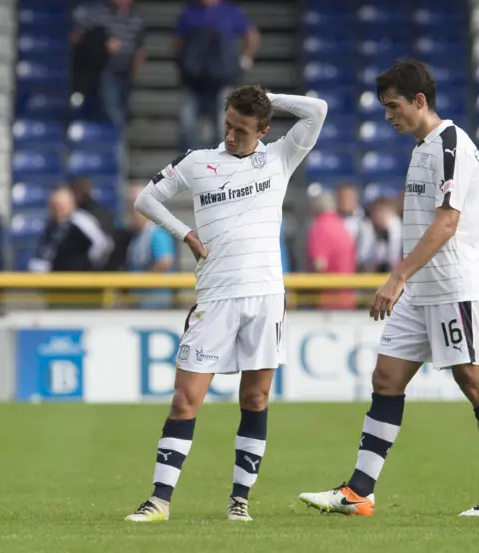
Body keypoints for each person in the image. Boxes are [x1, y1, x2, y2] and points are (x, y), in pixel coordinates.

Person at [298, 60, 479, 517]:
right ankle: (359, 492)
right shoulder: (422, 147)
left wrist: (397, 276)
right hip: (421, 289)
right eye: (383, 107)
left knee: (476, 381)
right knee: (386, 378)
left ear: (420, 101)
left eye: (393, 106)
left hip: (451, 284)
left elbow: (447, 223)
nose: (387, 116)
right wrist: (408, 280)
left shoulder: (452, 146)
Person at [125, 85, 327, 522]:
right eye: (228, 125)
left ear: (264, 129)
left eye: (242, 129)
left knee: (255, 398)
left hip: (266, 297)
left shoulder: (279, 157)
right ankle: (159, 500)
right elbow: (146, 199)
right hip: (215, 297)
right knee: (185, 400)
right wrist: (185, 233)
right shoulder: (199, 162)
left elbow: (317, 109)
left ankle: (240, 501)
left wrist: (265, 95)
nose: (232, 136)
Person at [173, 0, 260, 151]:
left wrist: (245, 59)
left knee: (223, 127)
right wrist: (185, 62)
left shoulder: (231, 12)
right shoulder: (189, 13)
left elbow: (252, 35)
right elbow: (176, 41)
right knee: (187, 126)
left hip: (223, 79)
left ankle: (219, 165)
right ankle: (186, 164)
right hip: (193, 80)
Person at [71, 0, 146, 128]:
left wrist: (136, 72)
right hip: (106, 70)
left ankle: (119, 139)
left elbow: (139, 49)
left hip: (126, 72)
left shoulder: (137, 19)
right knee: (113, 111)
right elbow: (78, 38)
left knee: (123, 110)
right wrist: (103, 44)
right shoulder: (98, 14)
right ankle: (119, 141)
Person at [28, 188, 113, 273]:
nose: (57, 209)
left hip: (76, 279)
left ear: (71, 204)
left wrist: (87, 267)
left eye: (61, 205)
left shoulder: (81, 221)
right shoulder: (51, 226)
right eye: (53, 205)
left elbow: (103, 244)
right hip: (53, 278)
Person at [126, 185, 177, 308]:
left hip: (155, 304)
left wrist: (144, 278)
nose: (134, 213)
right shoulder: (138, 234)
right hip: (140, 302)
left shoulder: (157, 233)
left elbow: (165, 261)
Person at [306, 192, 356, 309]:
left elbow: (319, 265)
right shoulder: (342, 225)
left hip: (328, 301)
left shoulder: (319, 227)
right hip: (347, 296)